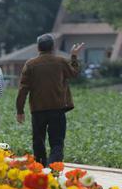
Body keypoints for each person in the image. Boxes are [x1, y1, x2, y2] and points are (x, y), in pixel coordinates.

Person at [16, 34, 84, 166]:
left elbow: (23, 89)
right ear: (53, 47)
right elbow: (74, 73)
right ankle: (52, 168)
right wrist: (74, 56)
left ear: (38, 48)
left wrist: (20, 110)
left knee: (38, 142)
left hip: (37, 110)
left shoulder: (30, 64)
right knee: (57, 143)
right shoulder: (60, 62)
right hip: (57, 109)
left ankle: (41, 168)